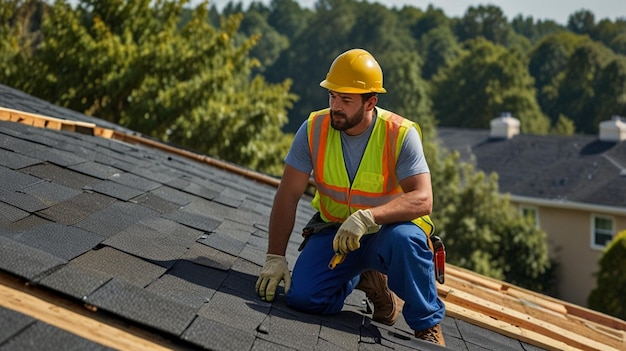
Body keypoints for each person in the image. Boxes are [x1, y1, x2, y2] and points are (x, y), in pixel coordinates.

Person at [255, 48, 446, 346]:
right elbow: (287, 195)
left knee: (407, 239)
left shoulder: (400, 134)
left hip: (388, 234)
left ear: (371, 102)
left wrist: (369, 216)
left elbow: (423, 199)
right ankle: (362, 277)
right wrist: (275, 256)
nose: (335, 106)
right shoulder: (313, 129)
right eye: (332, 96)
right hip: (336, 234)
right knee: (303, 298)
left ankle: (427, 325)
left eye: (346, 100)